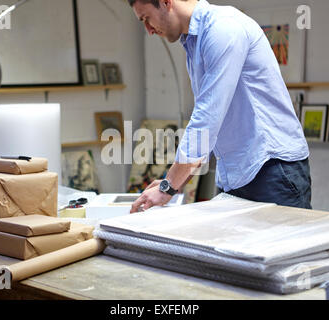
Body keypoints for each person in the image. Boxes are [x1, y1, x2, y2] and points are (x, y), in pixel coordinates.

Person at [129, 0, 311, 213]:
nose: (148, 30)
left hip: (271, 168)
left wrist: (168, 185)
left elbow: (207, 117)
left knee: (282, 246)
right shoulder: (193, 41)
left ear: (166, 2)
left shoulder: (223, 28)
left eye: (146, 19)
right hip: (237, 173)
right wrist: (170, 185)